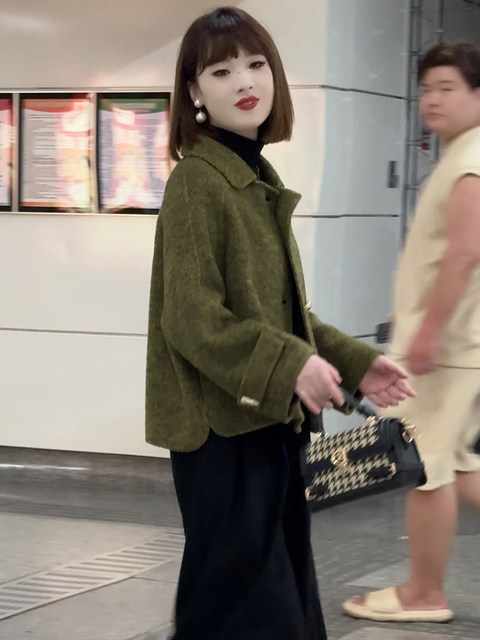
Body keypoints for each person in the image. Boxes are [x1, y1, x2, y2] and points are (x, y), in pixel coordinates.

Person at [146, 7, 414, 639]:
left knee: (268, 601)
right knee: (248, 611)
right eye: (221, 70)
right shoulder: (197, 184)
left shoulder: (255, 177)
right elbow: (191, 318)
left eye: (256, 63)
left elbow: (286, 314)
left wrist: (356, 363)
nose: (245, 80)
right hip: (221, 436)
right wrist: (292, 364)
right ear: (194, 92)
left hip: (265, 424)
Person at [344, 42, 480, 624]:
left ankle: (425, 593)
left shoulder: (472, 160)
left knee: (424, 467)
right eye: (427, 88)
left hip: (446, 351)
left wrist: (427, 334)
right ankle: (424, 588)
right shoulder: (460, 155)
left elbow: (465, 254)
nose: (432, 99)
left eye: (447, 88)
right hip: (454, 345)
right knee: (460, 466)